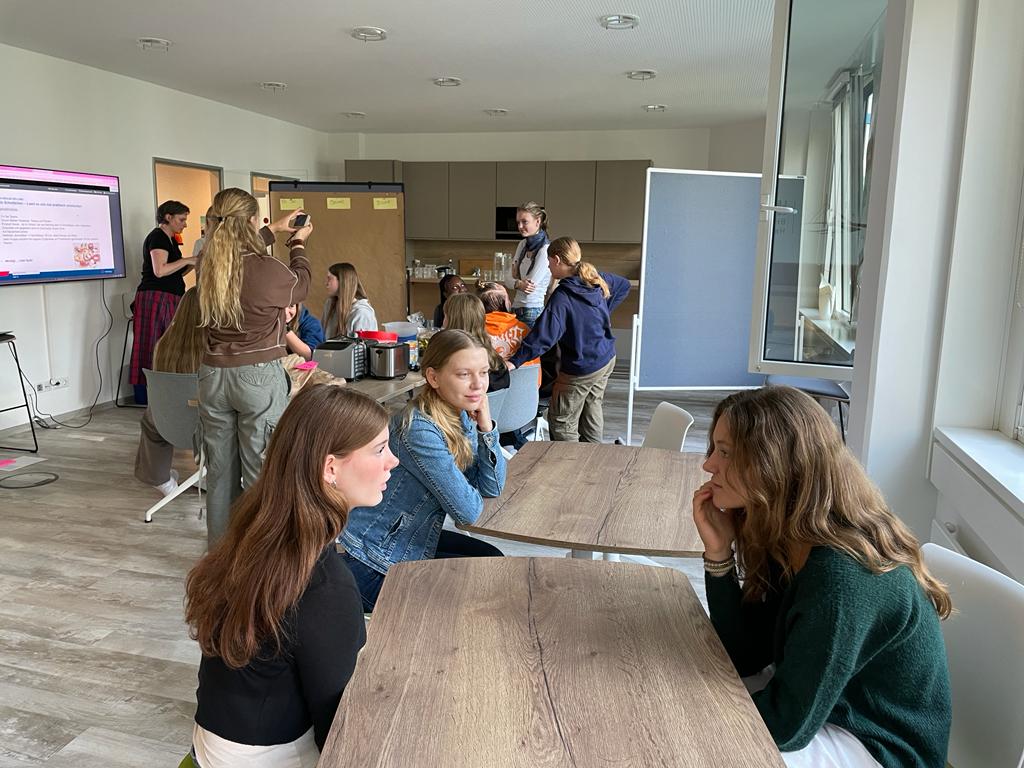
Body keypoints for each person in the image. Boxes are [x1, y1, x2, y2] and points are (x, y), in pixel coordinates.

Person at [693, 386, 952, 768]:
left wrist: (687, 712)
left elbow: (784, 727)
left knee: (694, 737)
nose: (709, 465)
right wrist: (719, 554)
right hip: (828, 711)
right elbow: (744, 656)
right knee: (692, 685)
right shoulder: (794, 539)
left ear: (774, 465)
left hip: (879, 748)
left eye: (726, 452)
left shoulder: (841, 577)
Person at [185, 385, 396, 767]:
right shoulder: (324, 584)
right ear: (330, 468)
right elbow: (339, 728)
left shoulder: (257, 526)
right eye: (379, 449)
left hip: (214, 744)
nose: (392, 461)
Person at [339, 329, 507, 611]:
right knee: (483, 583)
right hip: (372, 563)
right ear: (433, 377)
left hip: (411, 540)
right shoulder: (419, 429)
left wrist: (486, 427)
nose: (478, 385)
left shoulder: (459, 414)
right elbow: (468, 511)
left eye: (483, 372)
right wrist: (468, 489)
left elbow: (492, 487)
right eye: (464, 374)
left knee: (492, 561)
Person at [197, 188, 312, 547]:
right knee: (260, 472)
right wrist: (297, 244)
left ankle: (220, 556)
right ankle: (257, 558)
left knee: (220, 473)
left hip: (212, 375)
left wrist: (272, 229)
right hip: (257, 376)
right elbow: (300, 285)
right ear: (250, 220)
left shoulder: (208, 263)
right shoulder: (267, 269)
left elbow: (233, 248)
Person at [507, 237, 629, 443]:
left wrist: (514, 361)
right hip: (606, 358)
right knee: (592, 407)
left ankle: (570, 462)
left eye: (549, 262)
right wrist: (599, 315)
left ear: (556, 260)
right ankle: (593, 455)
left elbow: (543, 336)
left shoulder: (563, 296)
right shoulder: (595, 279)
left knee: (561, 420)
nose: (548, 266)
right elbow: (623, 285)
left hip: (582, 367)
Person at [134, 287, 204, 496]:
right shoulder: (217, 347)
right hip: (208, 425)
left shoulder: (163, 344)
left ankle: (159, 478)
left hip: (169, 424)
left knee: (150, 419)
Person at [130, 200, 195, 405]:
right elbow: (160, 271)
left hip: (168, 297)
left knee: (168, 343)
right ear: (168, 217)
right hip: (156, 298)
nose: (185, 224)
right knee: (155, 344)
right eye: (181, 220)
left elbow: (174, 272)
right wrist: (188, 259)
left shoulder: (171, 240)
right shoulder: (158, 236)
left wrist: (194, 262)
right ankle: (152, 394)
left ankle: (165, 392)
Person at [441, 292, 510, 392]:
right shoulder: (495, 360)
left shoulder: (451, 360)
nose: (443, 322)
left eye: (445, 316)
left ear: (452, 320)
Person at [504, 201, 551, 328]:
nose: (520, 226)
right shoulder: (522, 244)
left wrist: (515, 280)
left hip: (532, 311)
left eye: (524, 222)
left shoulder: (545, 249)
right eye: (518, 222)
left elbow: (530, 286)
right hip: (516, 308)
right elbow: (507, 279)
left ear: (538, 221)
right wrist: (519, 283)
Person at [322, 262, 377, 338]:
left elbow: (362, 345)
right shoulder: (330, 304)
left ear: (342, 281)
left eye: (329, 278)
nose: (326, 283)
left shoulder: (362, 314)